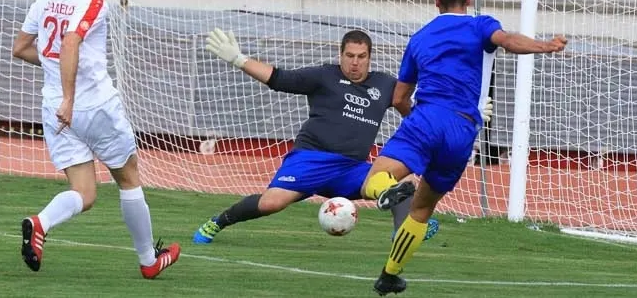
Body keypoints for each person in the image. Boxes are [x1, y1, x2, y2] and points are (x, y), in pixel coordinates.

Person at [362, 0, 567, 295]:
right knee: (422, 209)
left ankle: (389, 190)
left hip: (427, 118)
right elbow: (507, 41)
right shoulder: (481, 25)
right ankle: (390, 274)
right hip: (463, 130)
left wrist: (419, 122)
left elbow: (399, 98)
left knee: (374, 179)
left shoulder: (420, 38)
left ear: (436, 0)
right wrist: (545, 46)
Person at [193, 28, 486, 244]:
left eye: (361, 57)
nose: (355, 62)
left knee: (405, 178)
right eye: (349, 56)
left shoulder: (386, 85)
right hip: (310, 160)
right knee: (271, 203)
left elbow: (418, 109)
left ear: (370, 58)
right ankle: (218, 221)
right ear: (340, 55)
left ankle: (403, 231)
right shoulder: (324, 76)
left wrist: (465, 114)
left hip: (351, 169)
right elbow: (279, 78)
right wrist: (238, 59)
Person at [11, 0, 180, 279]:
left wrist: (59, 81)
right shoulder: (94, 4)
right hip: (93, 107)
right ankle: (148, 259)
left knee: (84, 193)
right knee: (128, 177)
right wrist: (70, 97)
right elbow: (71, 42)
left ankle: (41, 222)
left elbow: (21, 48)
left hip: (54, 110)